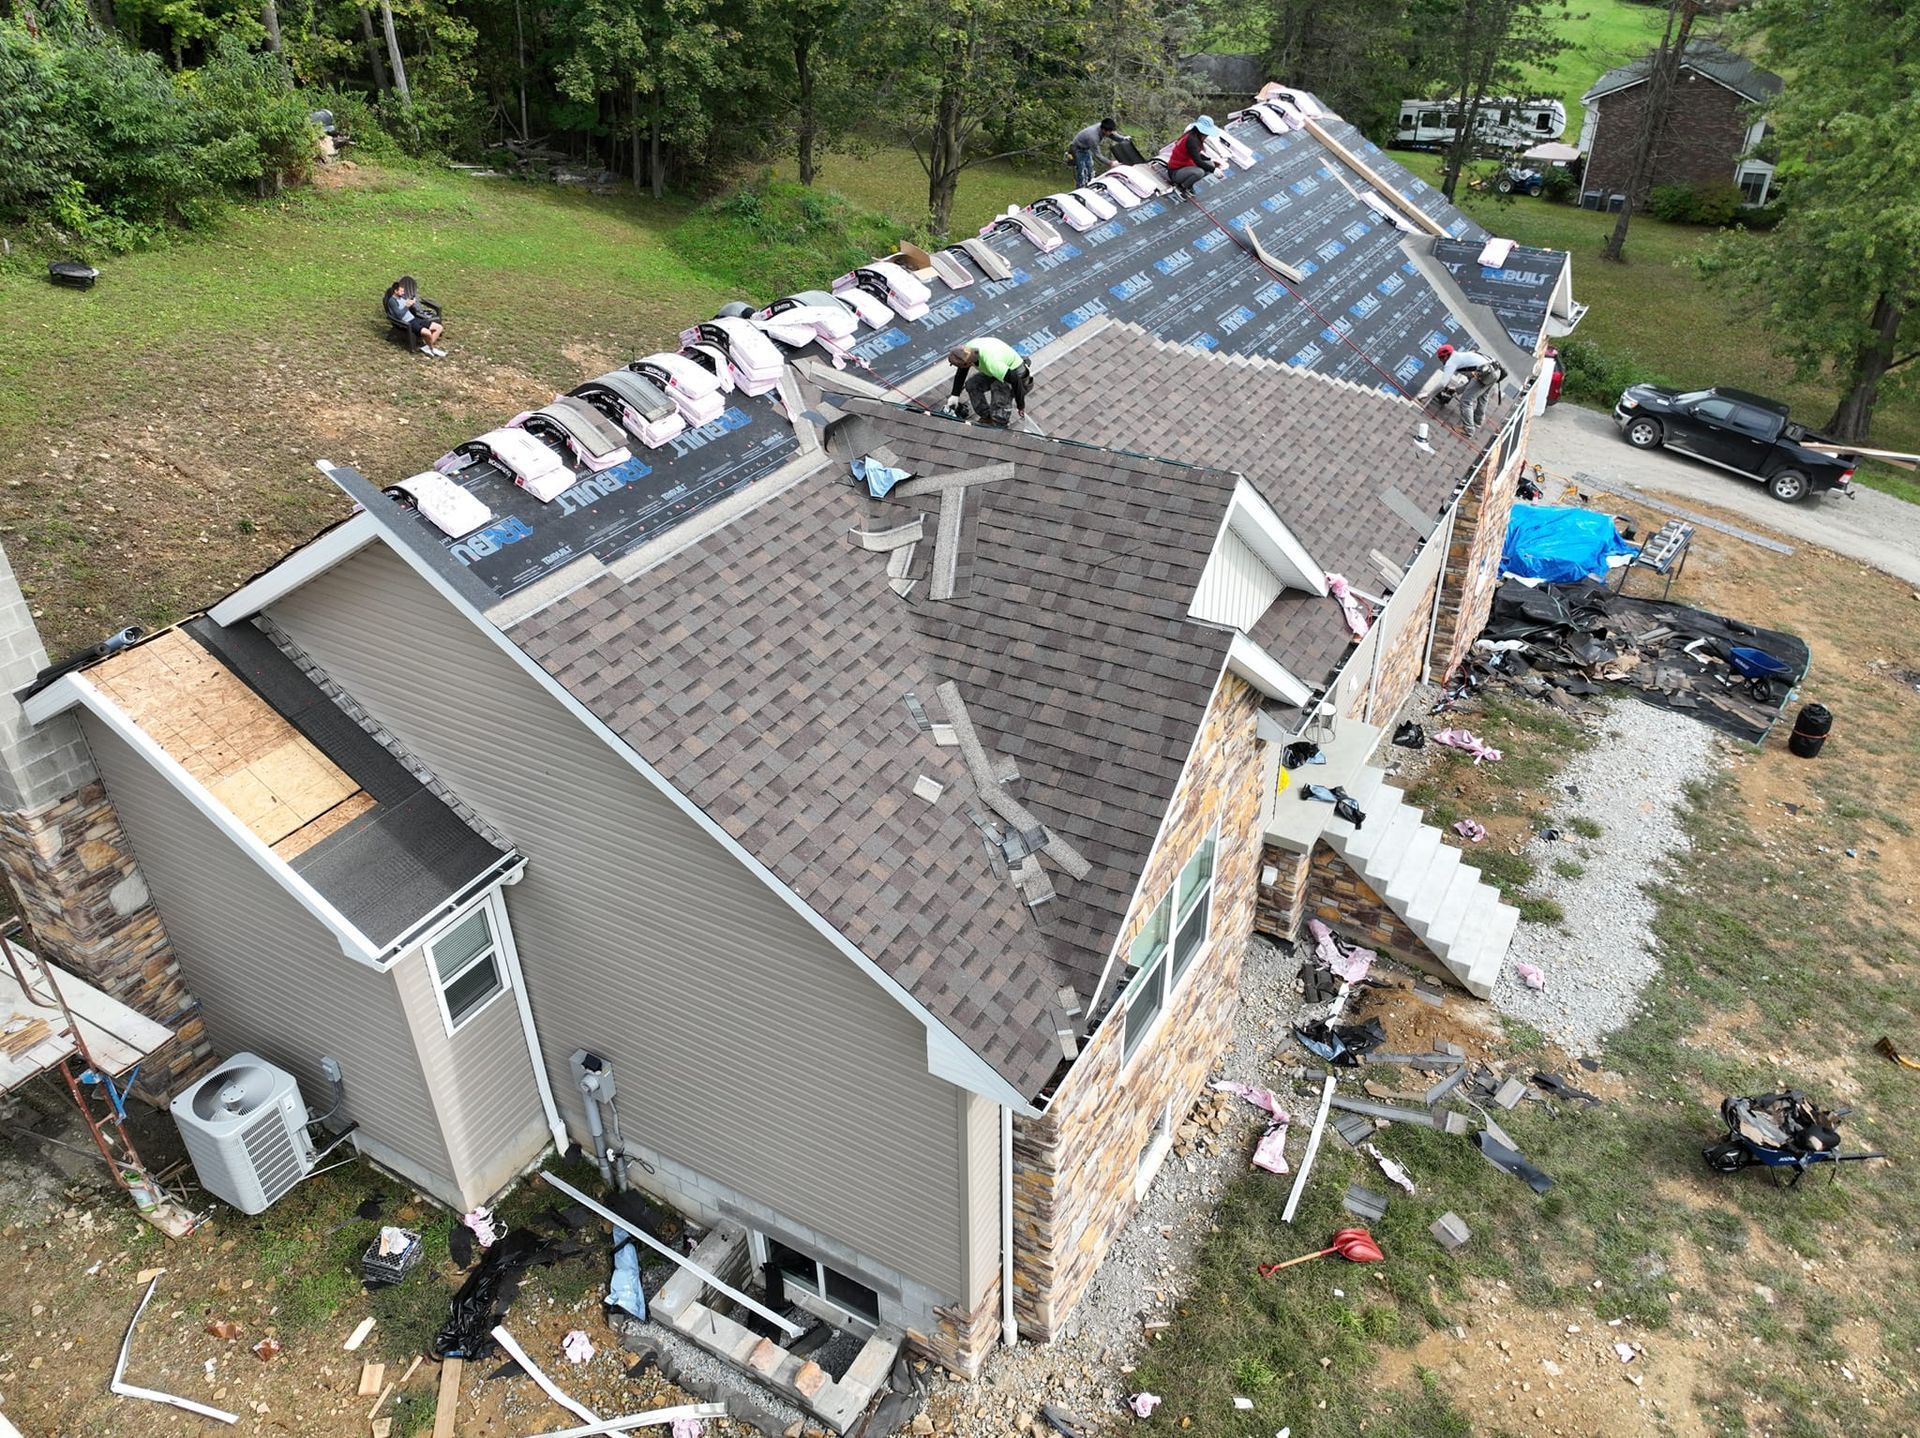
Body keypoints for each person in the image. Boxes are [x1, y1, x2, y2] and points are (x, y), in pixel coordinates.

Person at [942, 338, 1032, 427]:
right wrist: (955, 395)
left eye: (962, 365)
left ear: (968, 363)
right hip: (999, 371)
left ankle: (999, 423)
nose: (961, 367)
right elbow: (962, 372)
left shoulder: (992, 363)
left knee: (998, 387)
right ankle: (987, 417)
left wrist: (1021, 405)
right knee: (972, 385)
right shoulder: (967, 350)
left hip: (1018, 376)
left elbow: (1015, 380)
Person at [1432, 342, 1503, 431]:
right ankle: (1477, 421)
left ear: (1445, 356)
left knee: (1466, 401)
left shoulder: (1451, 362)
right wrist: (1457, 390)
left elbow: (1443, 383)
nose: (1441, 361)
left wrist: (1429, 395)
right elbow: (1473, 383)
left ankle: (1468, 429)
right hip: (1495, 371)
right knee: (1483, 396)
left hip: (1486, 374)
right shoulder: (1464, 357)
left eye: (1441, 358)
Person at [385, 278, 446, 357]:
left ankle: (427, 347)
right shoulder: (392, 301)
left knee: (439, 327)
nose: (403, 293)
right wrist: (407, 306)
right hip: (408, 323)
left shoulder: (402, 297)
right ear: (395, 291)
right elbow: (399, 315)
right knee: (428, 333)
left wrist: (412, 303)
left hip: (415, 319)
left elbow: (409, 306)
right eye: (401, 291)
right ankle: (432, 349)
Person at [1165, 116, 1221, 198]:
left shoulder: (1194, 136)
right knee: (1199, 172)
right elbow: (1197, 161)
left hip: (1186, 166)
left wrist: (1210, 161)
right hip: (1175, 172)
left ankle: (1189, 183)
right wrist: (1214, 170)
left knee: (1210, 164)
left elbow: (1195, 155)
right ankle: (1182, 187)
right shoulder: (1192, 140)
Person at [1069, 117, 1119, 188]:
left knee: (1091, 173)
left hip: (1085, 149)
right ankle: (1080, 189)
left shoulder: (1102, 126)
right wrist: (1110, 163)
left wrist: (1123, 138)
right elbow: (1098, 155)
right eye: (1109, 131)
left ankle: (1089, 188)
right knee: (1082, 174)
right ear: (1104, 130)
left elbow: (1113, 135)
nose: (1111, 133)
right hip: (1077, 150)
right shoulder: (1093, 137)